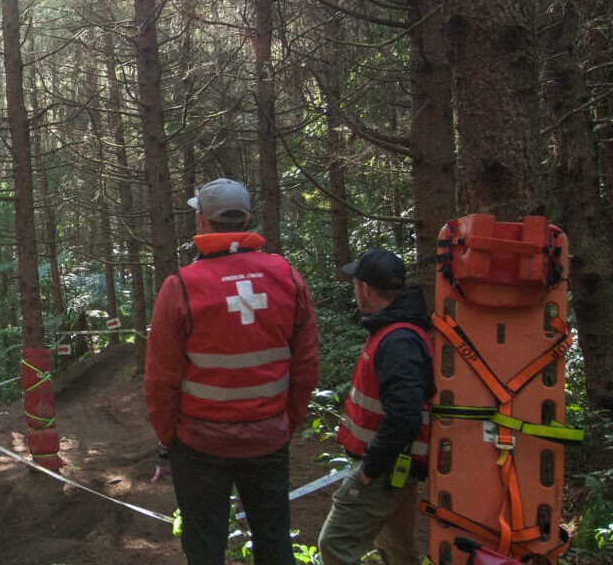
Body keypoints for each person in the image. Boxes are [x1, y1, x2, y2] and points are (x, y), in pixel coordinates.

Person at [145, 178, 320, 565]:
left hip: (199, 443)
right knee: (274, 542)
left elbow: (160, 379)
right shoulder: (286, 277)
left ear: (202, 222)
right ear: (247, 220)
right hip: (267, 437)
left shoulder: (181, 287)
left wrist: (169, 436)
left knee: (205, 547)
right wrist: (284, 423)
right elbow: (306, 366)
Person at [317, 248, 433, 565]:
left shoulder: (399, 341)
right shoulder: (397, 332)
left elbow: (405, 416)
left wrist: (368, 471)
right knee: (397, 552)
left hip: (384, 469)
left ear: (365, 288)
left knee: (335, 544)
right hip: (392, 467)